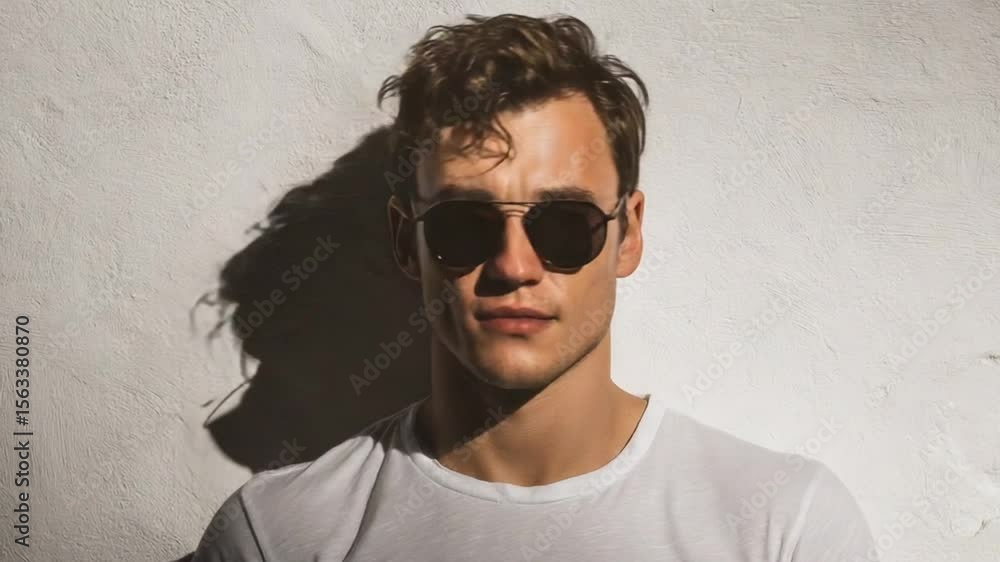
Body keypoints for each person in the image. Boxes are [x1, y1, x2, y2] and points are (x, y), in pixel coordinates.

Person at [192, 13, 878, 561]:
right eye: (463, 224)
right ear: (407, 242)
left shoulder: (784, 526)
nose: (514, 265)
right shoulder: (277, 535)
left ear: (628, 234)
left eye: (565, 224)